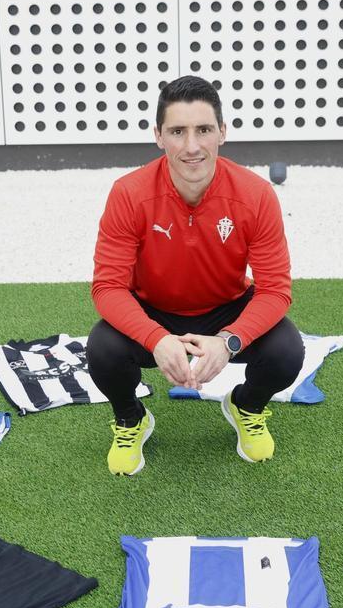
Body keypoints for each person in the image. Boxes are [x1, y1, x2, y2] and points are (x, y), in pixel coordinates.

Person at [87, 75, 304, 476]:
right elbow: (108, 288)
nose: (191, 146)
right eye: (177, 131)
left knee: (287, 350)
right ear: (158, 136)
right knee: (102, 347)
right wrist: (155, 338)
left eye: (203, 129)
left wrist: (229, 341)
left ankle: (246, 405)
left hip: (225, 309)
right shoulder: (129, 193)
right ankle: (131, 418)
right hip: (152, 309)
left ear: (222, 132)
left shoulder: (256, 195)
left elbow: (275, 290)